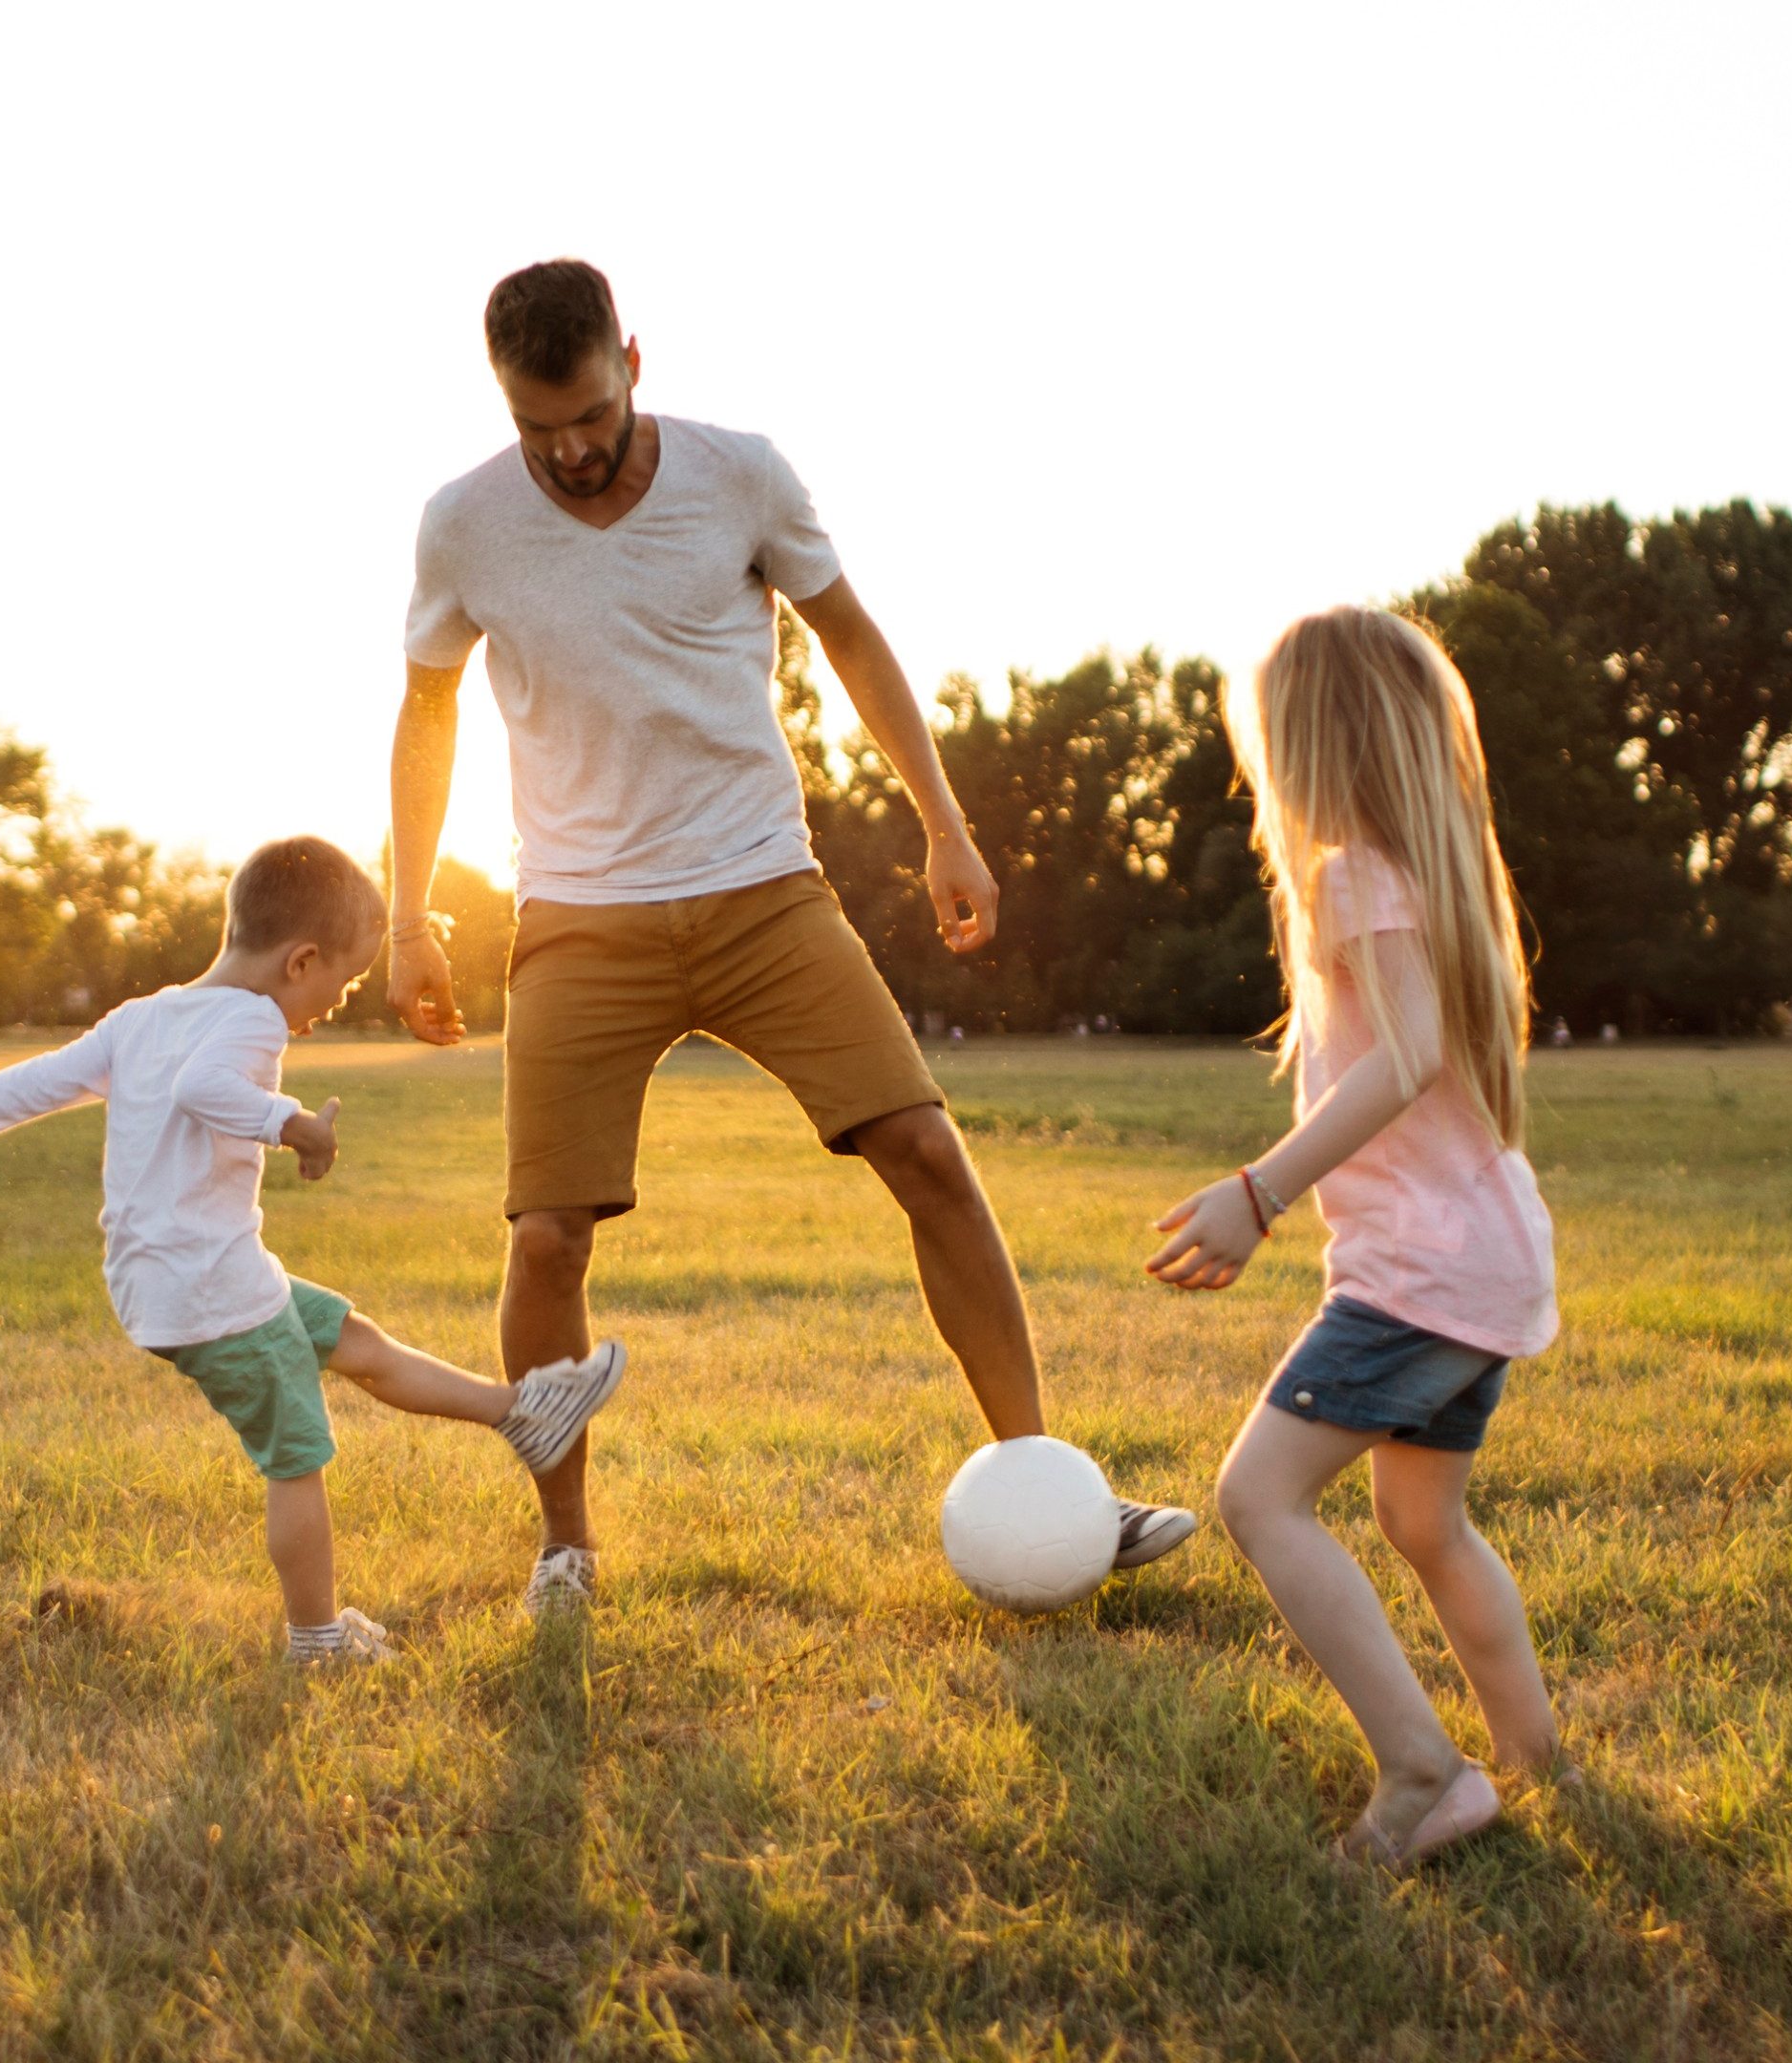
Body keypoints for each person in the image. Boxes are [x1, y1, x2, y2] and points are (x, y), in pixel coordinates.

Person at [388, 258, 1196, 1616]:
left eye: (589, 413)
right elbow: (426, 712)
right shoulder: (463, 523)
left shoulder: (742, 474)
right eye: (542, 431)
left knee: (928, 1153)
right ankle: (566, 1542)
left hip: (765, 887)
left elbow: (854, 640)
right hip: (580, 918)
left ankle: (1052, 1484)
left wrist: (944, 821)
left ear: (632, 358)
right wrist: (405, 909)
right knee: (546, 1241)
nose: (573, 451)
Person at [0, 836, 629, 1666]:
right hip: (212, 1290)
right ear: (301, 961)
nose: (337, 1000)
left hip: (175, 1281)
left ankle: (522, 1415)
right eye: (344, 980)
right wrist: (291, 1124)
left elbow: (32, 1085)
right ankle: (317, 1639)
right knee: (296, 1454)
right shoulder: (252, 1018)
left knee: (350, 1337)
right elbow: (204, 1090)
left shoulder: (141, 1018)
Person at [1144, 606, 1568, 1869]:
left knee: (1257, 1496)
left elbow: (1403, 1061)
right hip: (1482, 1262)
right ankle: (1539, 1761)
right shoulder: (1426, 876)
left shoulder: (1354, 877)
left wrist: (1258, 1193)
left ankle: (1428, 1776)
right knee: (1425, 1525)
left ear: (1310, 749)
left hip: (1422, 1276)